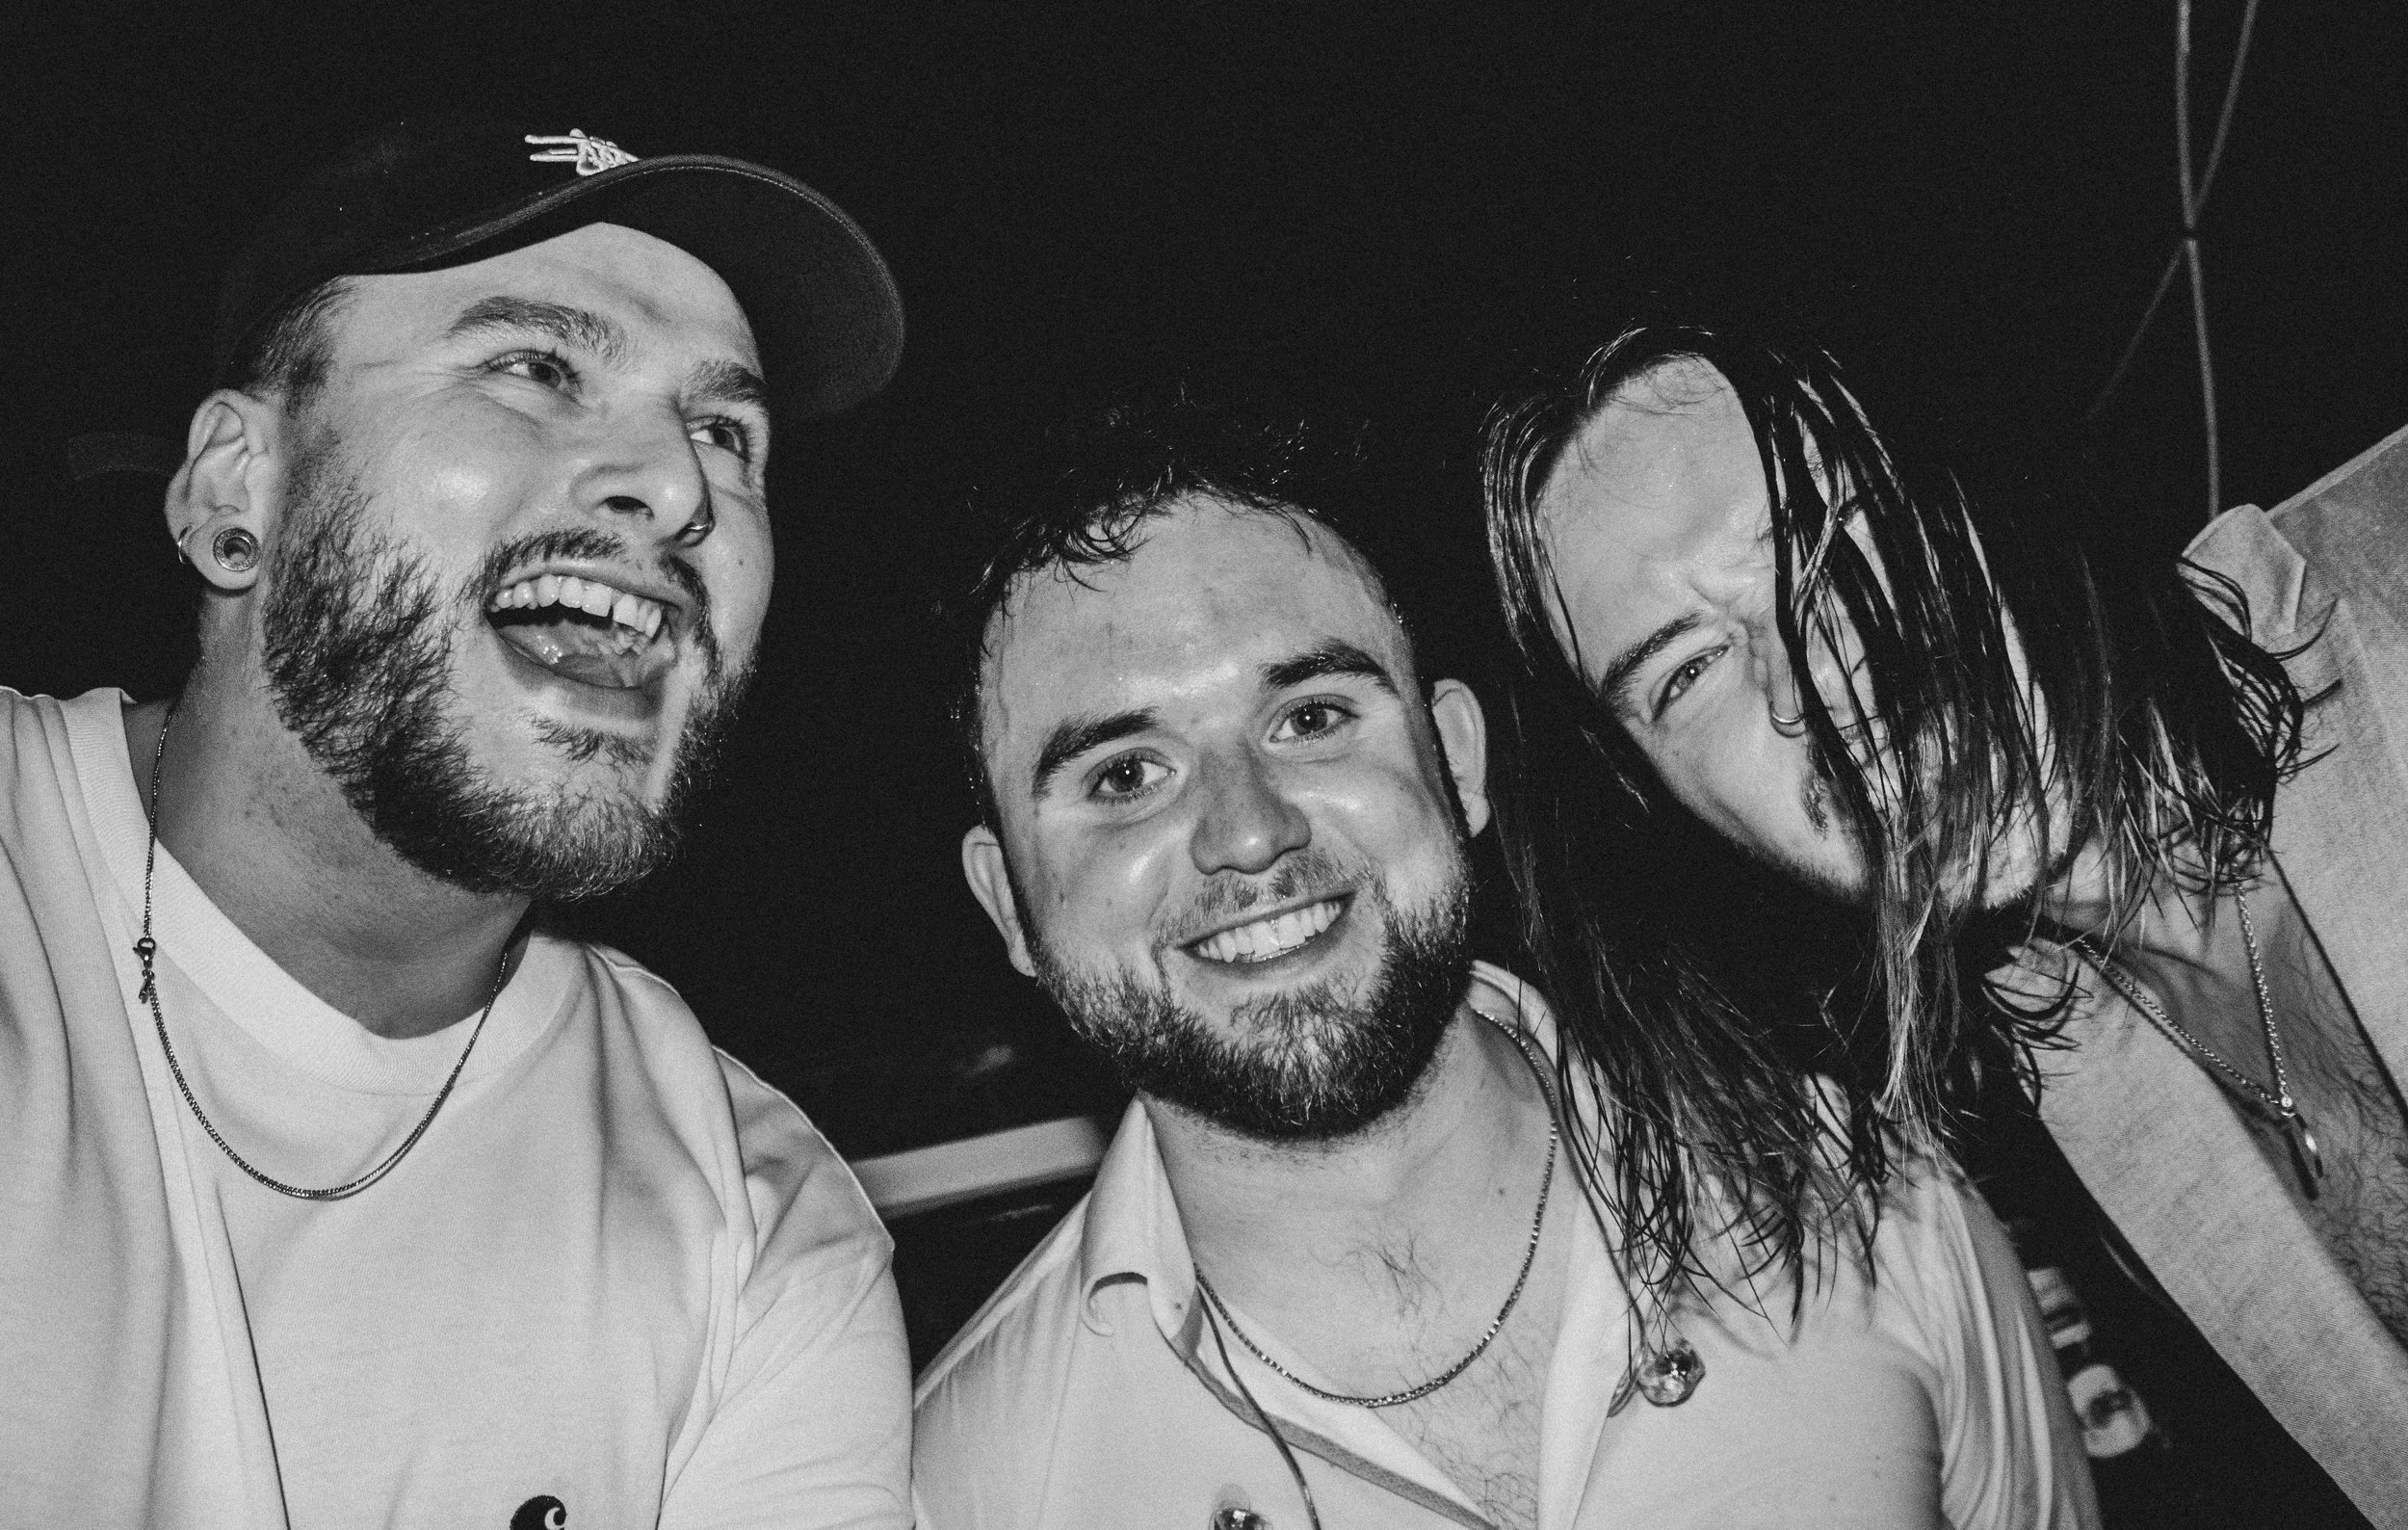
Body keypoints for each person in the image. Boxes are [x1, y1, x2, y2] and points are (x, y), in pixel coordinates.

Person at [910, 390, 2095, 1529]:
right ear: (1005, 902)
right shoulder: (956, 1490)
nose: (1249, 831)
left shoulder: (1866, 1197)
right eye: (1125, 776)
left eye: (1312, 716)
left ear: (1459, 763)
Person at [0, 119, 912, 1526]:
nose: (678, 488)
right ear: (239, 488)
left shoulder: (755, 1219)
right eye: (538, 368)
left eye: (727, 433)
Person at [1482, 314, 2408, 1520]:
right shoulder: (2061, 1071)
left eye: (1829, 537)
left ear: (1977, 479)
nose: (1815, 685)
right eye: (1687, 672)